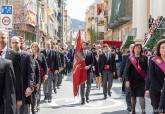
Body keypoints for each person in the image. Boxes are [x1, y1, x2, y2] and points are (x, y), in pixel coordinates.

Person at [10, 36, 35, 114]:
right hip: (11, 91)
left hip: (24, 90)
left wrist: (30, 86)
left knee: (24, 111)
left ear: (20, 43)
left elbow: (31, 72)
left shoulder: (27, 56)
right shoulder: (8, 56)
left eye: (16, 42)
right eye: (13, 43)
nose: (15, 44)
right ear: (10, 44)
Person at [0, 31, 23, 110]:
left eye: (3, 38)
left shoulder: (14, 55)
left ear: (7, 39)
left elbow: (18, 78)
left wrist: (19, 98)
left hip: (8, 97)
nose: (1, 40)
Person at [125, 44, 148, 114]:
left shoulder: (144, 58)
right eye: (136, 48)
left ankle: (143, 110)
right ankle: (133, 110)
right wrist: (127, 80)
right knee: (133, 96)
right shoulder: (130, 58)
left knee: (141, 96)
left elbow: (147, 69)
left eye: (139, 48)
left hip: (142, 81)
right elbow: (127, 70)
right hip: (132, 81)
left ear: (141, 49)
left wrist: (147, 79)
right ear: (133, 49)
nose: (137, 50)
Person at [146, 39, 165, 114]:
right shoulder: (153, 59)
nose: (164, 49)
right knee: (157, 111)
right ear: (159, 49)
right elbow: (151, 76)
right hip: (156, 90)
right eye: (162, 47)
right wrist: (160, 89)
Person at [119, 43, 134, 112]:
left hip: (136, 79)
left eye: (133, 47)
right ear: (129, 49)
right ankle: (129, 106)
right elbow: (122, 66)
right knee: (128, 93)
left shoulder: (139, 56)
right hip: (127, 78)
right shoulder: (125, 56)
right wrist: (120, 75)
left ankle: (133, 106)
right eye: (131, 47)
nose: (132, 48)